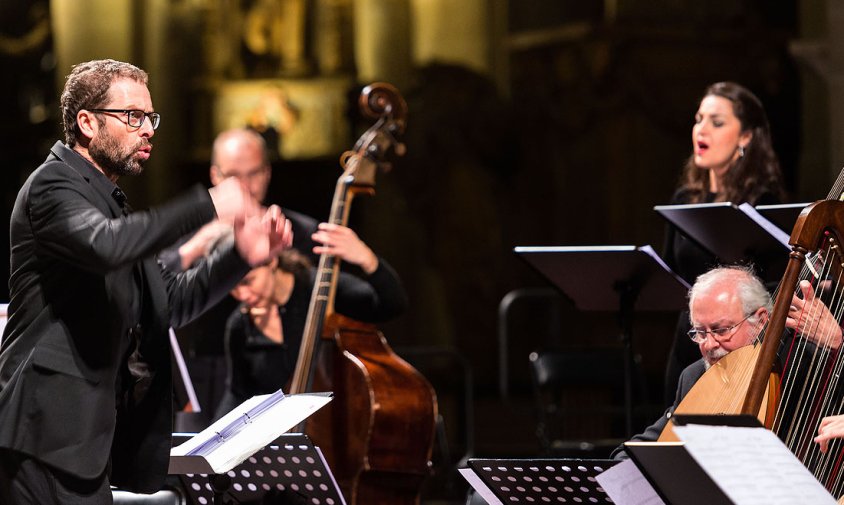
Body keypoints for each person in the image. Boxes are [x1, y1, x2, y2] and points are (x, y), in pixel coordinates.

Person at [0, 59, 293, 504]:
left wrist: (241, 257)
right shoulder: (52, 185)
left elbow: (171, 302)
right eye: (132, 116)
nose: (148, 129)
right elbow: (106, 246)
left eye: (149, 117)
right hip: (45, 436)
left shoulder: (111, 206)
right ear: (87, 123)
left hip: (85, 445)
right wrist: (206, 204)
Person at [662, 81, 788, 404]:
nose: (702, 130)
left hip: (736, 341)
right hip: (689, 336)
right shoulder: (684, 200)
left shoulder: (762, 202)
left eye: (717, 122)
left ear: (746, 136)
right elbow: (670, 274)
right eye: (699, 119)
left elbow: (773, 282)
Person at [214, 237, 407, 420]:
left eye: (248, 282)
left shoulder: (321, 291)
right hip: (285, 439)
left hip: (341, 428)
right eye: (232, 287)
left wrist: (367, 259)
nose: (241, 295)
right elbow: (237, 393)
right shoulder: (240, 324)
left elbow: (391, 305)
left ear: (271, 261)